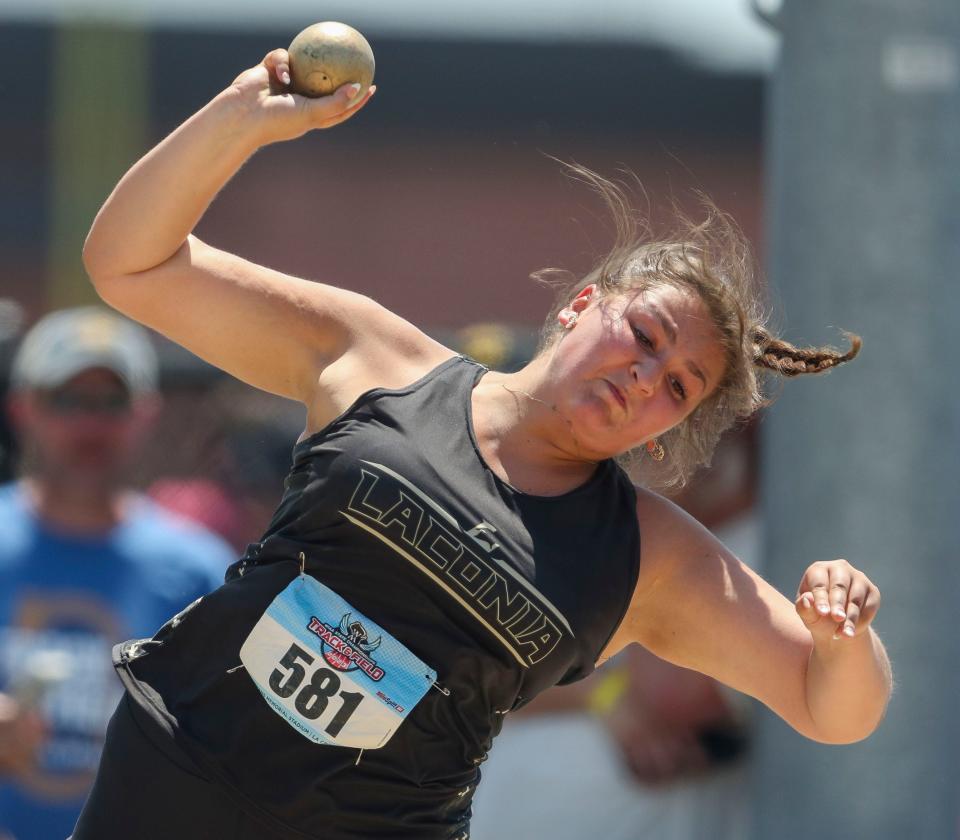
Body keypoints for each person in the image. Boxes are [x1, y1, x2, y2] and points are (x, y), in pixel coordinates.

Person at [74, 48, 891, 840]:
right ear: (581, 304)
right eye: (643, 335)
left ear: (674, 425)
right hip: (172, 774)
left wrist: (843, 638)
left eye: (678, 386)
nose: (647, 377)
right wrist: (239, 119)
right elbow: (130, 265)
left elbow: (834, 709)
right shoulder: (381, 359)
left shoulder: (648, 556)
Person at [0, 307, 234, 840]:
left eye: (112, 402)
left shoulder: (197, 570)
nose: (91, 424)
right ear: (23, 410)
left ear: (145, 414)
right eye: (68, 399)